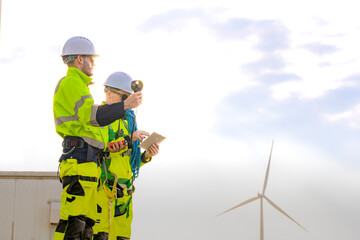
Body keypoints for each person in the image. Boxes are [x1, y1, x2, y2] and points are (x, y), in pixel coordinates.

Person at [53, 36, 143, 240]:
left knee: (86, 229)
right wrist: (125, 106)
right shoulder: (70, 83)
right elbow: (90, 115)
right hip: (79, 161)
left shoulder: (81, 87)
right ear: (79, 59)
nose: (94, 63)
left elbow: (99, 136)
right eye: (91, 59)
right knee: (73, 224)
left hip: (89, 164)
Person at [93, 72, 160, 240]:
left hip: (124, 197)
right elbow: (101, 151)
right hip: (103, 194)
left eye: (131, 98)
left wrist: (146, 156)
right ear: (108, 93)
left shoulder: (129, 122)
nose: (130, 102)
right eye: (125, 97)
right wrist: (129, 139)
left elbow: (129, 161)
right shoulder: (98, 118)